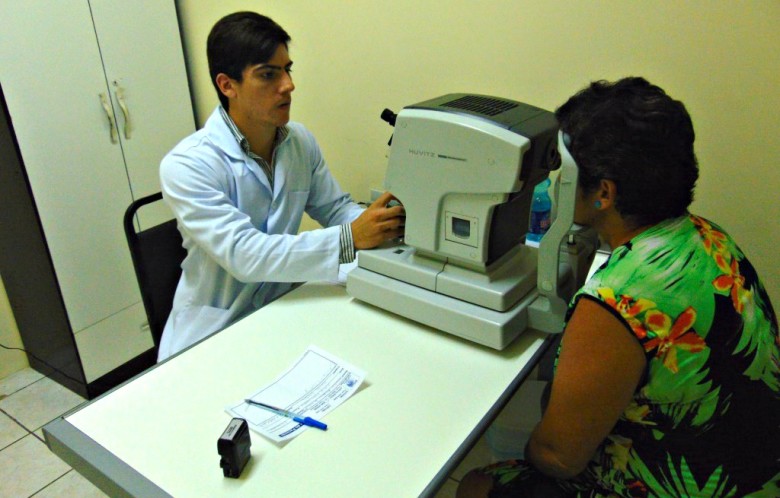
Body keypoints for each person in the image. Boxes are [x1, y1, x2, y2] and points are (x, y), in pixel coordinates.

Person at [458, 78, 779, 497]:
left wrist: (536, 439)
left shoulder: (617, 301)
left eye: (565, 172)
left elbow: (559, 456)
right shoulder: (708, 238)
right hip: (752, 473)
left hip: (685, 485)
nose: (555, 181)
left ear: (603, 193)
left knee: (477, 483)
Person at [157, 12, 404, 361]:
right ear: (228, 85)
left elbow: (335, 209)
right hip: (216, 333)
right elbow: (247, 256)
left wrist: (386, 221)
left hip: (282, 313)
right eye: (268, 75)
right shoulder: (187, 165)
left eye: (287, 69)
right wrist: (351, 237)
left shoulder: (298, 142)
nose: (288, 85)